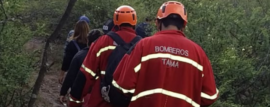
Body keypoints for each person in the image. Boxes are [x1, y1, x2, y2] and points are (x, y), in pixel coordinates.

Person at [112, 1, 219, 107]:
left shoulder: (143, 46)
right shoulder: (198, 53)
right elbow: (209, 96)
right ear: (184, 25)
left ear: (158, 23)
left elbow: (123, 86)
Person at [68, 5, 138, 107]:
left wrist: (74, 101)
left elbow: (85, 74)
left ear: (115, 21)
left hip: (100, 102)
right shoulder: (142, 45)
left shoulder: (103, 41)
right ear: (134, 22)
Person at [59, 29, 103, 106]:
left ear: (88, 40)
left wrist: (63, 92)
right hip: (96, 98)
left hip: (78, 95)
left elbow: (70, 75)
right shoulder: (105, 58)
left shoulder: (80, 56)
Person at [59, 20, 90, 84]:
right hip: (86, 74)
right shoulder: (91, 44)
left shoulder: (72, 44)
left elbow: (66, 60)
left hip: (73, 73)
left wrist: (62, 74)